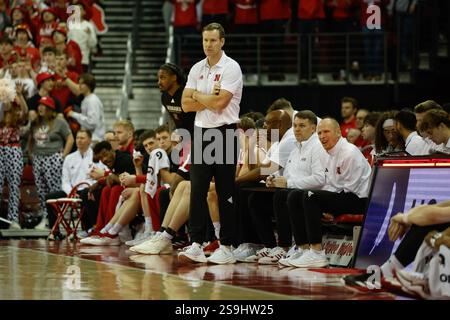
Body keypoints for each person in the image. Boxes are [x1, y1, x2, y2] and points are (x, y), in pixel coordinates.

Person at [179, 22, 243, 264]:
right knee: (197, 190)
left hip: (225, 132)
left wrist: (197, 96)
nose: (208, 45)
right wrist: (203, 96)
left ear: (222, 41)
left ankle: (227, 245)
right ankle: (196, 243)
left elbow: (220, 104)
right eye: (205, 40)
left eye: (213, 40)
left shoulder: (231, 67)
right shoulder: (197, 68)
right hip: (202, 132)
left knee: (226, 191)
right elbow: (185, 105)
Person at [286, 118, 371, 268]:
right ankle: (304, 248)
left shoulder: (349, 153)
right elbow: (330, 184)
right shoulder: (326, 153)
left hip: (360, 199)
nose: (322, 136)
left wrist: (329, 206)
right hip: (343, 194)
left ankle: (317, 253)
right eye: (319, 133)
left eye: (326, 132)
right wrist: (327, 201)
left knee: (310, 196)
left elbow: (348, 189)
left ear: (338, 132)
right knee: (294, 195)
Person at [28, 96, 74, 229]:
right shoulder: (36, 122)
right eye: (39, 105)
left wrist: (63, 156)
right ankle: (46, 217)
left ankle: (57, 218)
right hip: (38, 158)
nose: (40, 108)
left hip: (52, 158)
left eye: (44, 106)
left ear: (50, 109)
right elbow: (31, 137)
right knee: (41, 190)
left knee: (53, 190)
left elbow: (70, 138)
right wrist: (31, 154)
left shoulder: (59, 122)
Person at [0, 81, 28, 229]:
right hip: (0, 148)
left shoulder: (16, 113)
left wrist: (20, 95)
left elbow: (25, 113)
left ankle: (13, 220)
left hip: (14, 148)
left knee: (14, 185)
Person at [65, 73, 105, 143]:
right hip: (89, 139)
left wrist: (74, 114)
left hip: (94, 140)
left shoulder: (92, 100)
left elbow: (92, 122)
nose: (79, 86)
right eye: (79, 83)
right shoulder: (86, 99)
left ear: (89, 85)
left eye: (82, 84)